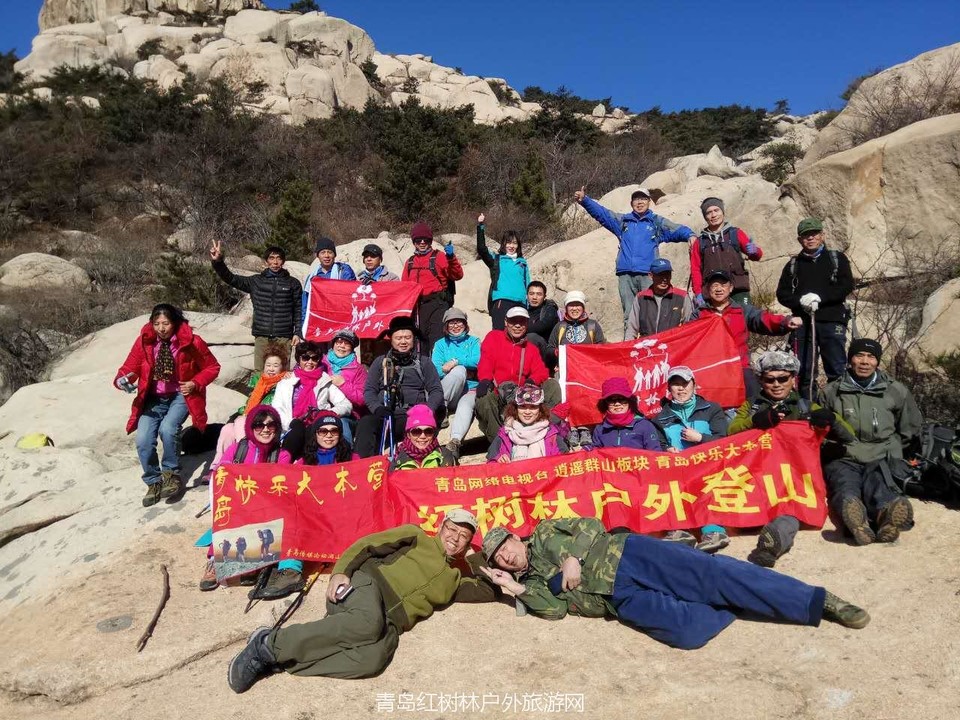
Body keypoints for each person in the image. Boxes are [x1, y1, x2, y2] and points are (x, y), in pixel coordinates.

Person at [478, 518, 870, 651]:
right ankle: (729, 595)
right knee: (686, 633)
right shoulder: (531, 583)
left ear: (516, 538)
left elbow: (592, 525)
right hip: (618, 602)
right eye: (499, 559)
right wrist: (517, 590)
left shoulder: (546, 531)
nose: (506, 557)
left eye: (505, 547)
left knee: (717, 577)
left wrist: (572, 557)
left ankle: (818, 602)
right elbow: (558, 610)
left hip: (630, 554)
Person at [227, 509, 496, 692]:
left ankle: (285, 661)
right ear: (441, 526)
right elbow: (368, 544)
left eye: (463, 536)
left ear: (468, 543)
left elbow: (488, 591)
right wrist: (342, 571)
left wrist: (474, 557)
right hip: (366, 585)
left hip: (391, 622)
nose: (454, 538)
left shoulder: (453, 579)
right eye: (451, 529)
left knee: (372, 660)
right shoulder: (416, 536)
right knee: (367, 624)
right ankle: (267, 646)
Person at [728, 351, 855, 567]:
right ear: (761, 380)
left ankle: (772, 544)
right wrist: (754, 422)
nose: (776, 384)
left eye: (782, 378)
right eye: (770, 379)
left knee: (790, 510)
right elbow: (731, 433)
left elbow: (848, 435)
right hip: (758, 478)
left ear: (792, 378)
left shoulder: (806, 406)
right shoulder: (751, 406)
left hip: (793, 480)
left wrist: (831, 420)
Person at [115, 303, 221, 507]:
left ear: (175, 323)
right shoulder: (145, 342)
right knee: (143, 439)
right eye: (157, 324)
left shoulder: (191, 342)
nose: (161, 328)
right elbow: (130, 367)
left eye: (166, 323)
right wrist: (122, 379)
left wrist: (195, 383)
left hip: (180, 395)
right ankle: (153, 481)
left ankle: (172, 475)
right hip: (153, 398)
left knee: (168, 429)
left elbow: (212, 367)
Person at [819, 339, 922, 546]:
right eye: (859, 356)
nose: (865, 362)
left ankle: (886, 515)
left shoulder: (895, 390)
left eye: (871, 357)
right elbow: (820, 433)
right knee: (845, 487)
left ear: (877, 362)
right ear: (850, 361)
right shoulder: (831, 392)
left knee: (880, 484)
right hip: (844, 455)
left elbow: (909, 427)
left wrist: (894, 452)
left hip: (881, 454)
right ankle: (858, 522)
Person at [574, 185, 696, 333]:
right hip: (625, 276)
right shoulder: (623, 222)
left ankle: (651, 344)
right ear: (631, 203)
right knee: (629, 315)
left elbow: (675, 229)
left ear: (649, 202)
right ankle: (630, 348)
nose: (639, 202)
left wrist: (690, 235)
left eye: (643, 199)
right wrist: (585, 201)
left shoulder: (656, 222)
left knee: (650, 313)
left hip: (648, 275)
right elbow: (603, 214)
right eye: (636, 199)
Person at [200, 405, 292, 592]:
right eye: (259, 425)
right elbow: (222, 476)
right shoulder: (238, 449)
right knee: (225, 514)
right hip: (238, 504)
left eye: (271, 425)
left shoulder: (282, 455)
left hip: (265, 506)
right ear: (251, 427)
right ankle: (214, 561)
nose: (265, 429)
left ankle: (252, 562)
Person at [651, 367, 732, 553]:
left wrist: (701, 438)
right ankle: (679, 531)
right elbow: (658, 446)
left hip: (708, 468)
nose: (681, 389)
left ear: (694, 385)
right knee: (666, 486)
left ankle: (714, 532)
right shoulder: (660, 417)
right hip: (676, 471)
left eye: (685, 383)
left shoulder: (712, 409)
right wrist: (666, 450)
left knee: (707, 485)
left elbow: (726, 441)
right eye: (675, 384)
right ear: (669, 389)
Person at [776, 218, 855, 399]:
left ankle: (838, 407)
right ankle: (807, 409)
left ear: (822, 236)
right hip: (803, 323)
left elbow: (846, 285)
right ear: (799, 240)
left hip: (832, 321)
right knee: (805, 370)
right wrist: (799, 302)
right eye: (806, 235)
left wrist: (822, 298)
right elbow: (782, 293)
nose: (810, 238)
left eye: (814, 234)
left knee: (836, 368)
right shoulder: (793, 265)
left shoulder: (837, 259)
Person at [690, 269, 802, 397]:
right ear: (708, 289)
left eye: (723, 285)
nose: (719, 289)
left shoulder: (741, 310)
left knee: (753, 399)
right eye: (714, 285)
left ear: (731, 288)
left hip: (740, 366)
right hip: (711, 368)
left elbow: (762, 319)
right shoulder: (699, 314)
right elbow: (689, 339)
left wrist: (785, 321)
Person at [355, 317, 444, 458]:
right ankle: (363, 468)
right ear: (391, 340)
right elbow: (369, 391)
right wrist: (377, 408)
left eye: (407, 337)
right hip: (385, 415)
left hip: (414, 415)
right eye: (399, 338)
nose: (403, 342)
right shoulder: (380, 362)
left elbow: (436, 390)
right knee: (366, 423)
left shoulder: (424, 363)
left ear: (413, 339)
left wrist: (426, 409)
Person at [209, 242, 303, 371]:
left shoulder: (293, 283)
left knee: (282, 372)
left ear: (283, 261)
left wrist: (297, 332)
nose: (275, 262)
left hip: (284, 336)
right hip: (262, 335)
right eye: (271, 258)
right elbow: (231, 278)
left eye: (278, 258)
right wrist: (218, 262)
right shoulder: (255, 281)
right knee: (260, 371)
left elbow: (298, 309)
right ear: (266, 262)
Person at [475, 306, 562, 443]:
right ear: (506, 322)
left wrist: (532, 381)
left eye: (521, 322)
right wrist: (485, 380)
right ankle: (500, 442)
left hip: (521, 396)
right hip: (499, 394)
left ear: (526, 324)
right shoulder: (493, 337)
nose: (517, 325)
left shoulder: (531, 348)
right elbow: (485, 361)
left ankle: (544, 431)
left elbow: (541, 371)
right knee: (483, 399)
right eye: (513, 321)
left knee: (552, 386)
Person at [209, 344, 288, 475]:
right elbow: (249, 405)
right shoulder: (260, 382)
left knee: (241, 421)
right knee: (227, 429)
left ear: (282, 367)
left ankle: (244, 457)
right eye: (268, 365)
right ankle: (217, 466)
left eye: (276, 365)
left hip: (268, 421)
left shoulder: (285, 382)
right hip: (253, 420)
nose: (271, 369)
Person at [272, 341, 352, 459]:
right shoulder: (286, 382)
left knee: (312, 430)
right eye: (305, 358)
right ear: (298, 359)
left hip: (316, 427)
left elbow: (346, 404)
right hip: (290, 427)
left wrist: (327, 414)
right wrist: (290, 423)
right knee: (298, 428)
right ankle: (285, 463)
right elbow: (277, 408)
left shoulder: (324, 381)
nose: (310, 362)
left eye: (314, 358)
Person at [402, 221, 464, 351]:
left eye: (426, 240)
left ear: (430, 241)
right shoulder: (410, 262)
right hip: (418, 307)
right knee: (420, 342)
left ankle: (437, 369)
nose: (422, 243)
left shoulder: (439, 257)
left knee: (437, 341)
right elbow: (404, 287)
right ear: (414, 242)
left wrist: (451, 258)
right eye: (418, 240)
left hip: (438, 304)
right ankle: (422, 369)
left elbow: (457, 275)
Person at [691, 197, 763, 307]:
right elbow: (695, 269)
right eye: (709, 212)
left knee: (742, 320)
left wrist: (754, 251)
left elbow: (757, 256)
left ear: (723, 212)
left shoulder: (736, 233)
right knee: (717, 323)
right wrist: (698, 293)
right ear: (705, 217)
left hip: (738, 290)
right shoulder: (699, 242)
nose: (713, 215)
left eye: (716, 210)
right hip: (712, 292)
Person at [431, 308, 480, 460]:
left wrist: (455, 362)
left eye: (458, 322)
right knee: (459, 371)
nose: (455, 325)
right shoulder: (440, 344)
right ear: (446, 326)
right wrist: (455, 368)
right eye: (451, 322)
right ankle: (441, 408)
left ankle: (455, 441)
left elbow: (478, 361)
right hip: (449, 391)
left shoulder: (474, 341)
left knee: (466, 405)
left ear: (465, 324)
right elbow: (436, 369)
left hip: (469, 389)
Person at [487, 384, 569, 462]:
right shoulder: (505, 434)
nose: (527, 412)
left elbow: (564, 463)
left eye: (533, 407)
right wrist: (499, 461)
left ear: (540, 409)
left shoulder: (551, 434)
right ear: (516, 409)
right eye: (522, 407)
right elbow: (491, 465)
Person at [476, 213, 530, 329]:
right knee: (500, 334)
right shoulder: (496, 259)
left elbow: (528, 283)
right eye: (509, 242)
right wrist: (480, 226)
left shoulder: (523, 263)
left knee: (519, 336)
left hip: (521, 303)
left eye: (515, 243)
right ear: (504, 244)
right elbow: (481, 249)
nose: (511, 246)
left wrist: (528, 302)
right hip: (502, 301)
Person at [301, 236, 357, 332]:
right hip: (318, 322)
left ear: (334, 255)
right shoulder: (313, 277)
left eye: (330, 252)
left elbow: (351, 294)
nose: (326, 256)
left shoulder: (343, 271)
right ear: (317, 256)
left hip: (339, 321)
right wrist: (304, 324)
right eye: (323, 252)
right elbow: (306, 302)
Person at [625, 258, 692, 339]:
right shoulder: (641, 298)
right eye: (660, 275)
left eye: (667, 274)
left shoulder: (682, 297)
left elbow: (690, 328)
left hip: (672, 347)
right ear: (651, 276)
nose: (664, 279)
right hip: (647, 348)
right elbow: (631, 329)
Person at [590, 376, 660, 451]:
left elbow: (656, 454)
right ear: (605, 404)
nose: (617, 404)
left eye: (622, 399)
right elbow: (596, 456)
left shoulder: (645, 426)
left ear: (630, 401)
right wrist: (587, 452)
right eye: (611, 400)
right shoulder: (600, 429)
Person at [323, 329, 368, 439]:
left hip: (348, 415)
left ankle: (346, 455)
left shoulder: (359, 369)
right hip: (321, 409)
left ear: (352, 348)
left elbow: (363, 399)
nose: (342, 346)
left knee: (341, 424)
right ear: (333, 344)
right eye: (339, 342)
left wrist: (343, 385)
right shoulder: (321, 362)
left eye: (347, 343)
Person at [389, 404, 457, 470]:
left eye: (428, 431)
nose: (423, 436)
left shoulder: (445, 455)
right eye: (416, 431)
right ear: (408, 435)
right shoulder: (398, 458)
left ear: (434, 433)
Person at [546, 290, 606, 360]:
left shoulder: (593, 325)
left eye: (577, 305)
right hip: (565, 368)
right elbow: (549, 350)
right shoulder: (559, 326)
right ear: (566, 308)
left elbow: (601, 349)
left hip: (587, 367)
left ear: (583, 308)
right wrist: (558, 352)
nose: (574, 308)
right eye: (571, 305)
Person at [525, 280, 560, 367]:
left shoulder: (549, 309)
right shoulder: (524, 312)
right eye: (531, 293)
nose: (534, 297)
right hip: (528, 350)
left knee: (531, 337)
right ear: (527, 296)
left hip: (547, 352)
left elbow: (541, 327)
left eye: (539, 294)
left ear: (544, 297)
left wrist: (519, 328)